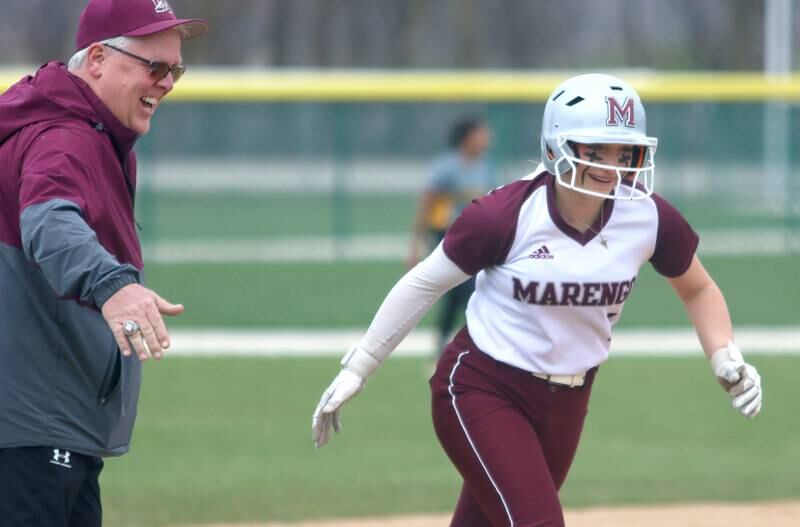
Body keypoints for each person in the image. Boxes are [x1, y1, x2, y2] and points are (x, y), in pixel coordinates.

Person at [312, 74, 763, 526]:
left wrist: (724, 355)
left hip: (570, 399)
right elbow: (425, 282)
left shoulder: (646, 216)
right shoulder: (504, 216)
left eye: (623, 152)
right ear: (557, 146)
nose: (612, 165)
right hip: (482, 387)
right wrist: (361, 365)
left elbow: (698, 288)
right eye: (595, 149)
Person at [0, 0, 207, 525]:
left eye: (175, 69)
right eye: (153, 66)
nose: (167, 82)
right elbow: (49, 223)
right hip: (32, 431)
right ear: (96, 60)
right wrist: (113, 285)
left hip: (47, 427)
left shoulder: (89, 134)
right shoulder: (65, 138)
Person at [407, 118, 493, 352]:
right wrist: (415, 243)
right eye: (481, 133)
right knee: (469, 288)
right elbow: (427, 202)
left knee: (456, 294)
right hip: (447, 234)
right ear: (467, 137)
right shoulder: (446, 167)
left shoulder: (483, 166)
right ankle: (473, 345)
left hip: (474, 236)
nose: (487, 138)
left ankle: (442, 346)